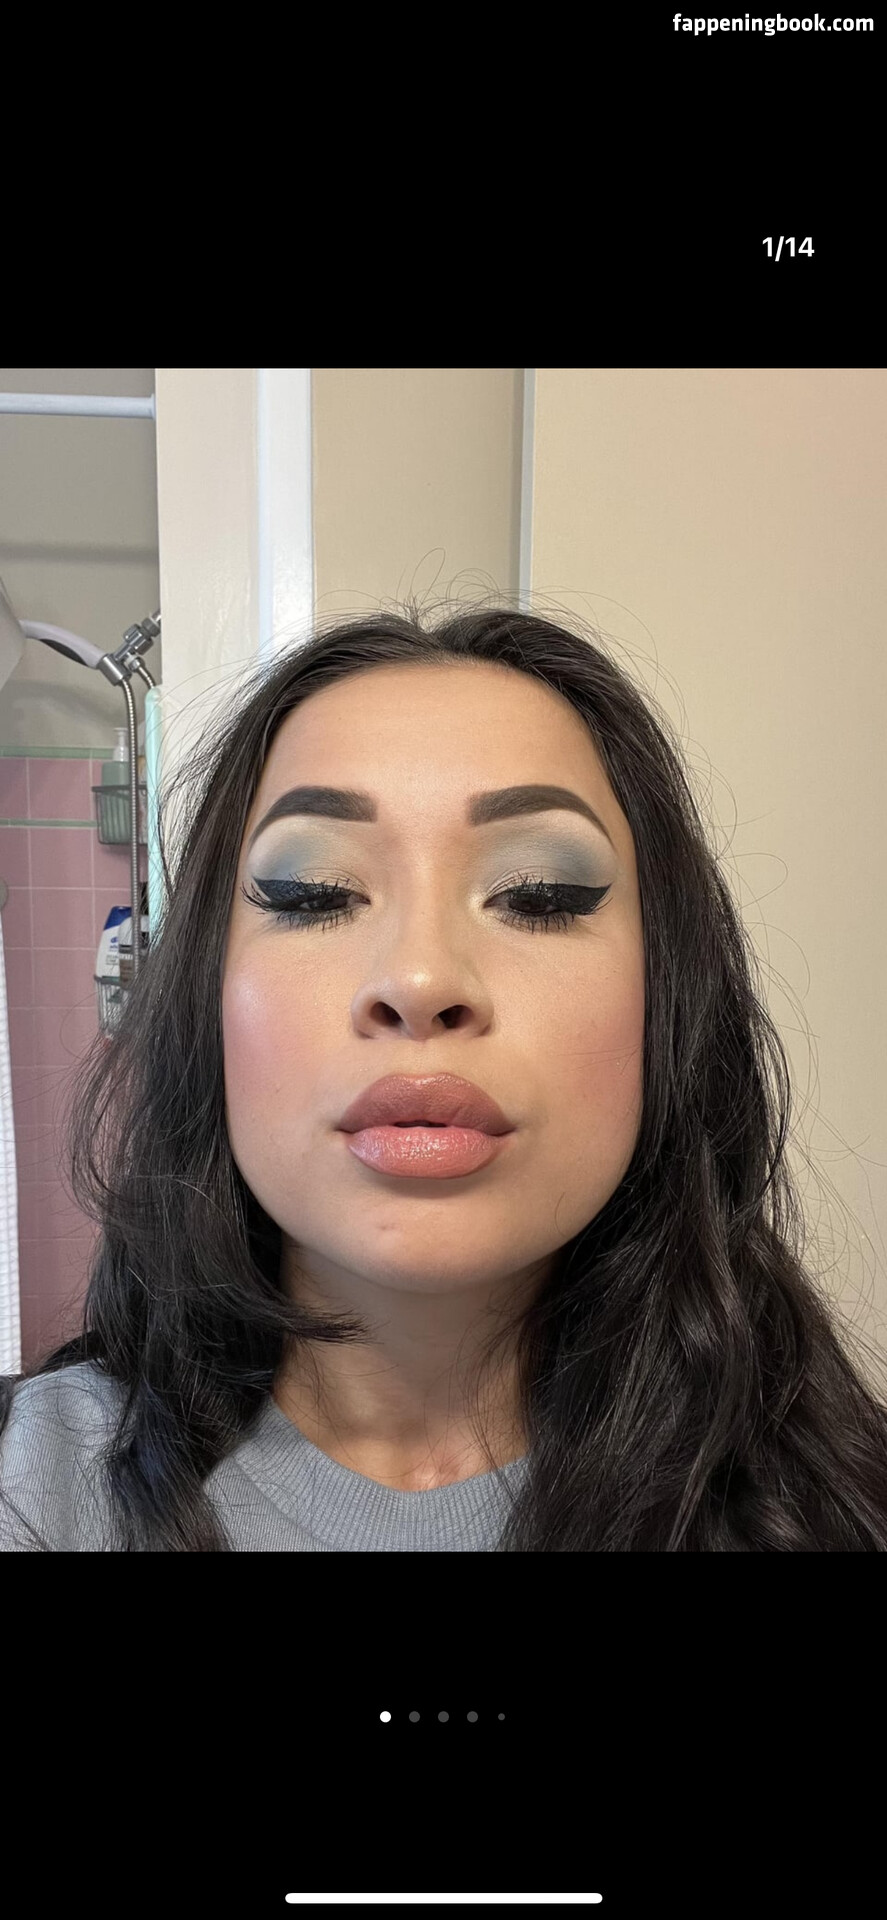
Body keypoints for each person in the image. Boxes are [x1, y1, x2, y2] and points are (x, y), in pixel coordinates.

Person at [3, 598, 887, 1550]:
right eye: (313, 892)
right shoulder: (34, 1489)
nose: (420, 981)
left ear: (666, 993)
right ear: (206, 995)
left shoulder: (839, 1504)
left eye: (539, 895)